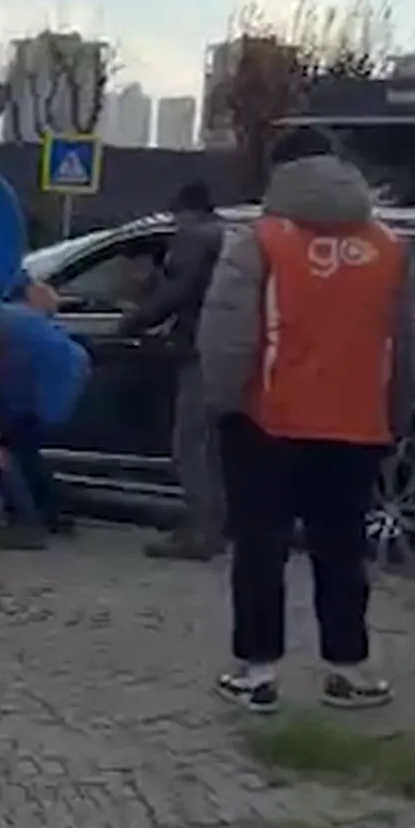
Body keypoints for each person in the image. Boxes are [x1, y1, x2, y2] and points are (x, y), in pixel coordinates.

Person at [198, 126, 415, 714]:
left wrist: (220, 403)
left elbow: (227, 336)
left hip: (268, 421)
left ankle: (258, 673)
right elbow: (403, 345)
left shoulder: (260, 242)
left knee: (261, 549)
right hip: (356, 426)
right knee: (343, 552)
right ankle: (349, 670)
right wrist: (393, 417)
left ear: (279, 173)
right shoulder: (390, 248)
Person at [119, 178, 225, 559]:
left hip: (200, 351)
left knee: (189, 445)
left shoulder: (196, 239)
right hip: (224, 352)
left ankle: (202, 532)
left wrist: (134, 321)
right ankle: (211, 525)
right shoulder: (225, 235)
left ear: (185, 210)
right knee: (209, 448)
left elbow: (177, 291)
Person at [0, 293, 91, 546]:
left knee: (3, 449)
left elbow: (7, 387)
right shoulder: (0, 315)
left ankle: (26, 523)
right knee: (24, 448)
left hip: (44, 383)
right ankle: (53, 512)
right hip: (70, 366)